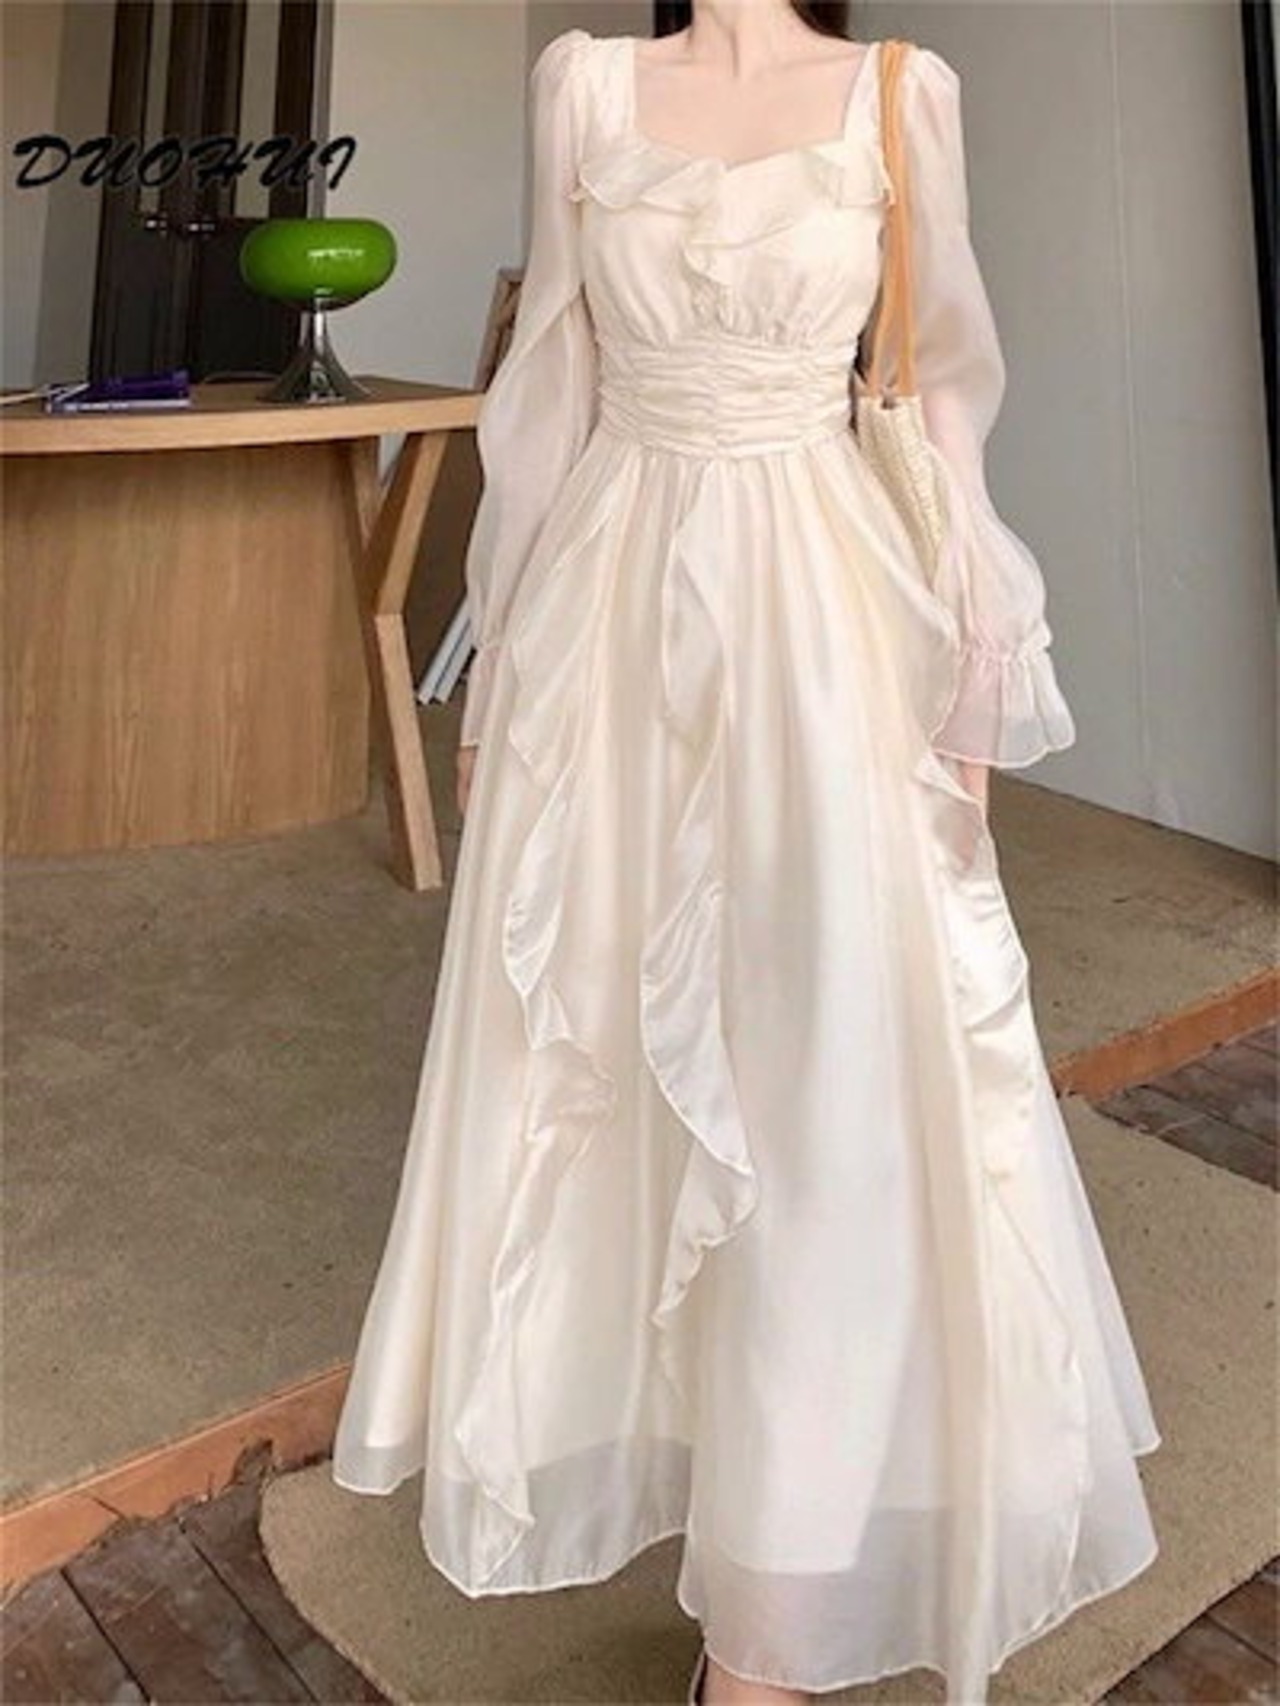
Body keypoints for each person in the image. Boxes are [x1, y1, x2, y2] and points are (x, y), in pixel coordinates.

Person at [332, 5, 1163, 1703]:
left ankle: (773, 1615)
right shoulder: (582, 84)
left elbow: (938, 392)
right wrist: (495, 665)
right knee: (605, 1057)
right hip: (609, 621)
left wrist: (975, 664)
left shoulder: (899, 93)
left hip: (828, 615)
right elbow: (549, 386)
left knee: (825, 1081)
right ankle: (709, 1512)